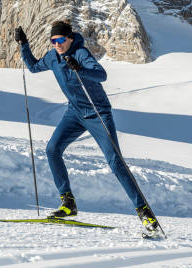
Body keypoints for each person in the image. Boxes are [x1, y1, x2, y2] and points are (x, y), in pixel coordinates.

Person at [14, 21, 158, 232]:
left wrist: (80, 68)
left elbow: (101, 75)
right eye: (53, 40)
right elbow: (34, 67)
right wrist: (24, 44)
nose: (57, 44)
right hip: (75, 113)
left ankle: (144, 212)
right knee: (52, 150)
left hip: (98, 113)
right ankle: (68, 203)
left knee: (115, 162)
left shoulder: (80, 53)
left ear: (70, 38)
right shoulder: (52, 57)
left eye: (61, 40)